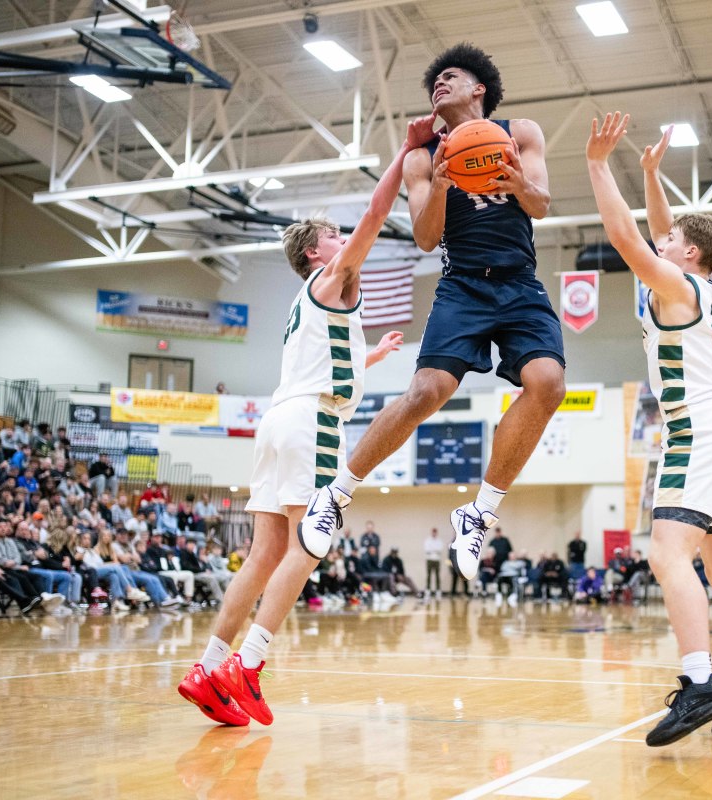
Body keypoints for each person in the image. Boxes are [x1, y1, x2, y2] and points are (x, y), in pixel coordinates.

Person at [177, 112, 437, 728]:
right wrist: (403, 156)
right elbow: (376, 216)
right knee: (309, 543)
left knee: (264, 552)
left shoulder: (309, 302)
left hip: (280, 419)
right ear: (316, 251)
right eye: (334, 234)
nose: (347, 236)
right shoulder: (336, 274)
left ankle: (209, 666)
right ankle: (250, 662)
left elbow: (322, 359)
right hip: (312, 424)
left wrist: (367, 357)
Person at [302, 43, 566, 583]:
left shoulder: (522, 132)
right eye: (433, 84)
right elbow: (425, 239)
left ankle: (480, 512)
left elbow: (541, 204)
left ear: (479, 89)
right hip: (462, 286)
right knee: (426, 393)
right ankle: (336, 493)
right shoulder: (423, 158)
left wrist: (519, 183)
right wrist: (443, 182)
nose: (438, 86)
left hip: (518, 281)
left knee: (549, 383)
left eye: (449, 77)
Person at [585, 115, 712, 743]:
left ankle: (701, 681)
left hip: (695, 426)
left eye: (670, 238)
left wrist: (597, 164)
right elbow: (669, 231)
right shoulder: (708, 286)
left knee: (668, 553)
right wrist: (648, 172)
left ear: (687, 253)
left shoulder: (672, 283)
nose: (660, 238)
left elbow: (626, 238)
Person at [424, 527, 444, 596]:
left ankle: (438, 591)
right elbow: (427, 550)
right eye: (433, 532)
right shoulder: (427, 540)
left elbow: (440, 550)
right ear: (431, 532)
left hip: (437, 560)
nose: (434, 533)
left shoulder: (439, 541)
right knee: (429, 576)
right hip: (429, 560)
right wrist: (435, 550)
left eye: (435, 532)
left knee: (437, 576)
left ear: (437, 533)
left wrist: (433, 549)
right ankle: (428, 590)